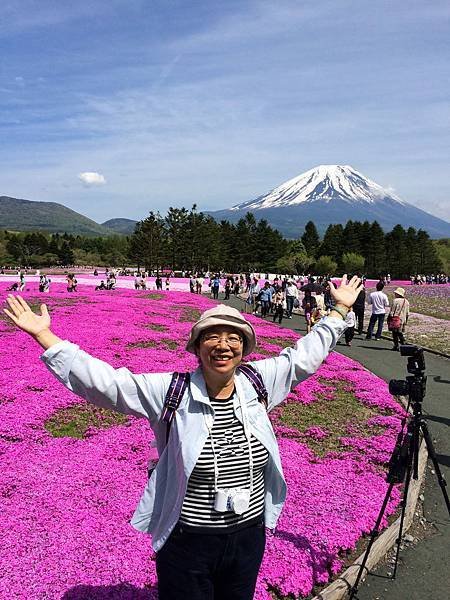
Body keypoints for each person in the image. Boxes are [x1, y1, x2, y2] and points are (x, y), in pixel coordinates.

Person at [3, 275, 362, 600]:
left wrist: (340, 309)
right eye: (212, 337)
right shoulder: (171, 390)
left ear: (245, 347)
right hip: (187, 539)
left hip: (247, 536)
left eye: (233, 337)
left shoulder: (259, 381)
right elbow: (109, 384)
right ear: (196, 347)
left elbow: (304, 356)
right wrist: (45, 336)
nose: (223, 345)